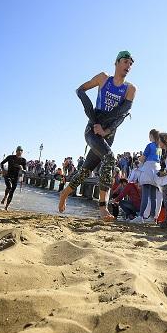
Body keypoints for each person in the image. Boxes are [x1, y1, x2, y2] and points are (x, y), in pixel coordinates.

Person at [58, 51, 137, 220]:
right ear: (116, 63)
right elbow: (80, 91)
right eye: (125, 62)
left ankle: (65, 193)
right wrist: (94, 120)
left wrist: (107, 130)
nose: (128, 66)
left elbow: (122, 113)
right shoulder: (103, 78)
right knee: (109, 158)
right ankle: (103, 208)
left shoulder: (130, 89)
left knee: (86, 171)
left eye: (130, 64)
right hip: (92, 130)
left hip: (108, 133)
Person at [136, 129, 161, 223]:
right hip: (156, 169)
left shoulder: (149, 145)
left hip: (149, 167)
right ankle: (152, 217)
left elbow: (143, 158)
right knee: (153, 196)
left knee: (145, 194)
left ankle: (141, 216)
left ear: (151, 135)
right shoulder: (159, 147)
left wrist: (138, 160)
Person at [0, 146, 27, 210]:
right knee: (9, 187)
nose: (19, 152)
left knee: (11, 192)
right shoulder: (10, 157)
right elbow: (2, 163)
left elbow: (25, 171)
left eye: (21, 151)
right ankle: (5, 196)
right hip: (8, 175)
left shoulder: (23, 160)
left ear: (22, 152)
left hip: (16, 177)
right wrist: (3, 170)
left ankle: (6, 207)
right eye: (18, 150)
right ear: (16, 151)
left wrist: (22, 168)